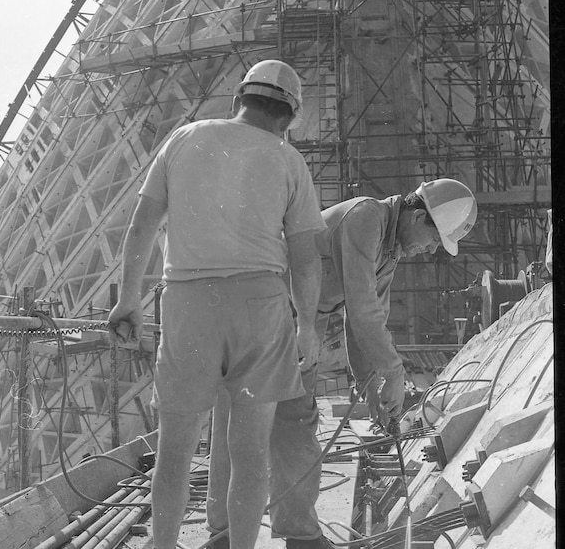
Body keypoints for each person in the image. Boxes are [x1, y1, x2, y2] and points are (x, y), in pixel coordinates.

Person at [108, 59, 325, 549]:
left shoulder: (185, 139)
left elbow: (141, 226)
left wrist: (128, 299)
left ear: (238, 101)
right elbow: (305, 258)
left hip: (187, 303)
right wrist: (306, 326)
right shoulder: (289, 161)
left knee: (175, 451)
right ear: (288, 118)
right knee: (249, 457)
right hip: (261, 307)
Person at [206, 178, 478, 548]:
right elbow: (363, 307)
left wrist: (371, 386)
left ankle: (259, 532)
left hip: (293, 320)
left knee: (269, 421)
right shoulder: (366, 217)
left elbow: (363, 318)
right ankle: (264, 536)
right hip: (265, 309)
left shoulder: (389, 248)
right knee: (266, 423)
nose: (430, 251)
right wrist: (393, 373)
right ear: (418, 217)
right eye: (433, 241)